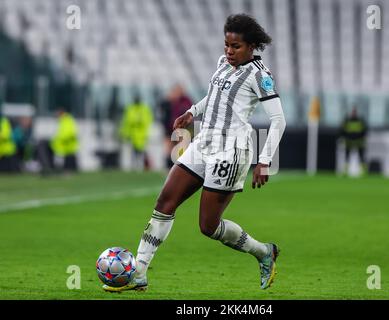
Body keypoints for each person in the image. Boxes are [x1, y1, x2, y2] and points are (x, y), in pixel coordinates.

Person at [102, 13, 286, 292]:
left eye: (235, 46)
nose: (229, 51)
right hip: (204, 142)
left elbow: (278, 120)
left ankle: (263, 252)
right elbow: (214, 97)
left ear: (251, 46)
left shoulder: (260, 76)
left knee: (208, 226)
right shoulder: (223, 63)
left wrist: (265, 160)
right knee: (165, 202)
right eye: (226, 44)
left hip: (232, 150)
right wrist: (192, 112)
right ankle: (139, 273)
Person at [159, 84, 194, 169]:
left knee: (180, 148)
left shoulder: (186, 101)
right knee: (169, 148)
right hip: (169, 128)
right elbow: (162, 113)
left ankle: (178, 167)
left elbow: (191, 112)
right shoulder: (168, 101)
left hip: (182, 129)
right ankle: (168, 167)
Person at [120, 95, 154, 170]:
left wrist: (139, 122)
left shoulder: (144, 108)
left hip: (142, 134)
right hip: (133, 134)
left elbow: (148, 120)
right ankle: (135, 166)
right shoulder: (130, 108)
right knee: (134, 151)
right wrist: (125, 133)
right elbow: (127, 121)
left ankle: (142, 166)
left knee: (142, 151)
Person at [340, 106, 368, 174]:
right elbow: (342, 130)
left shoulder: (360, 121)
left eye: (354, 112)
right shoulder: (347, 120)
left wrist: (358, 136)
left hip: (359, 142)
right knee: (347, 156)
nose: (353, 113)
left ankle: (363, 171)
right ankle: (345, 170)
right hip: (349, 141)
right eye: (353, 112)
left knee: (361, 156)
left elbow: (364, 131)